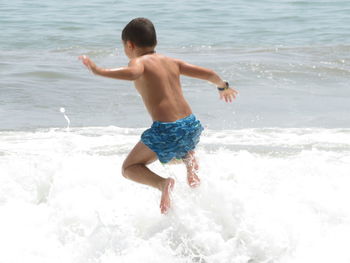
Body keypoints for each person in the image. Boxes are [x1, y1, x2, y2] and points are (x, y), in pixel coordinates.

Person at [79, 17, 238, 214]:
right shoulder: (172, 61)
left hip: (167, 129)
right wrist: (223, 87)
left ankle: (163, 184)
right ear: (155, 42)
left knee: (129, 168)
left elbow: (132, 73)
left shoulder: (138, 62)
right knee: (172, 149)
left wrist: (99, 70)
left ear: (129, 44)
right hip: (191, 124)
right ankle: (189, 159)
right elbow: (208, 73)